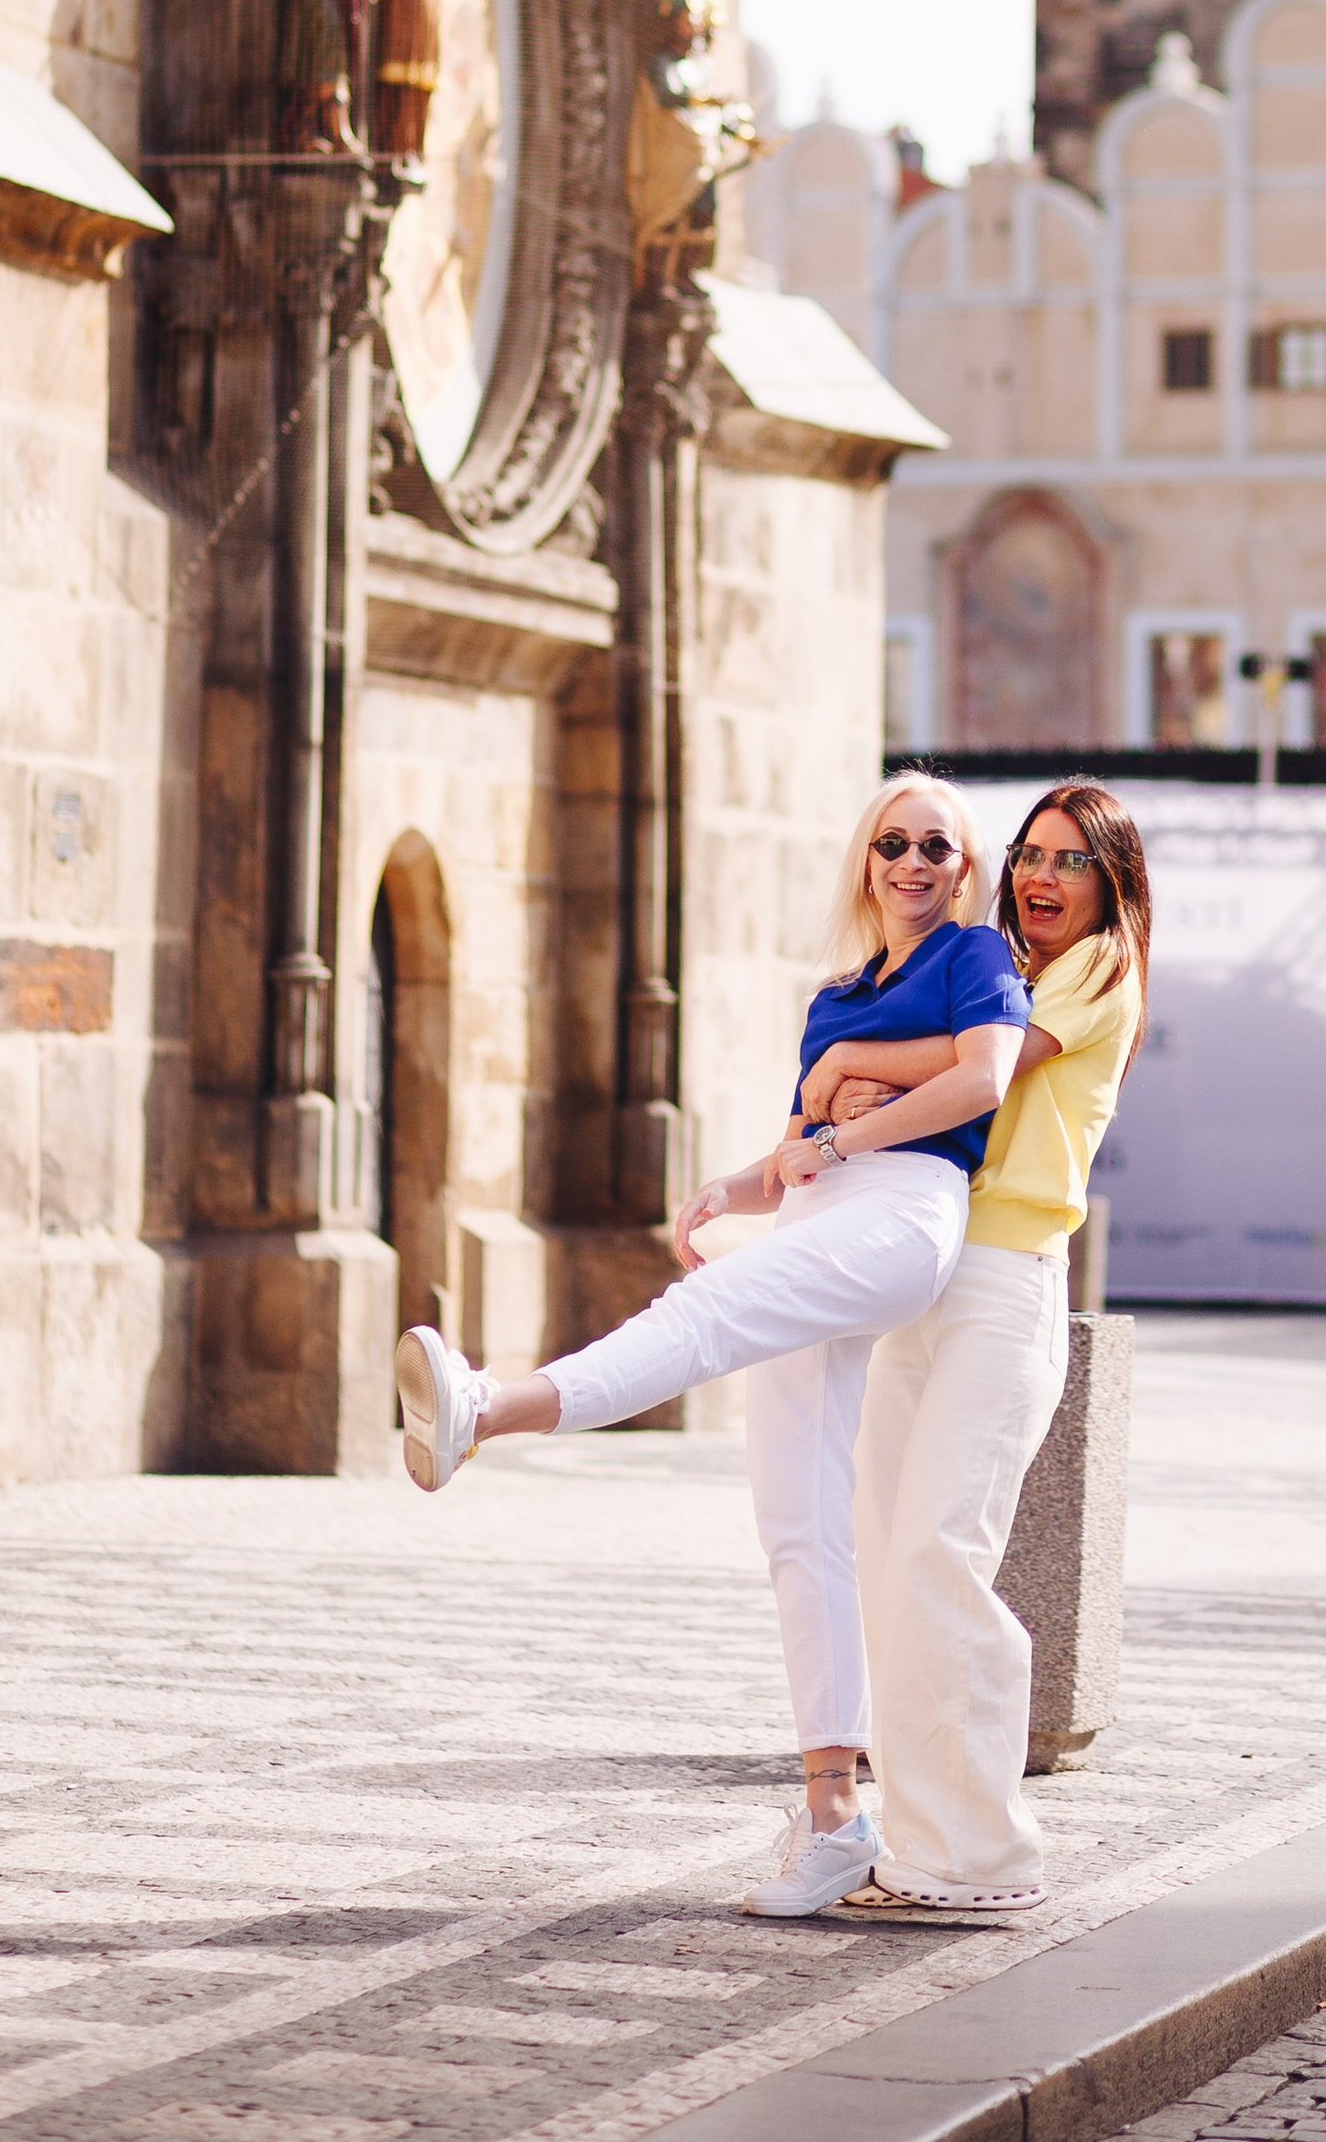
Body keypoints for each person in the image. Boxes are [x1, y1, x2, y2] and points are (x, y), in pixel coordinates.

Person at [392, 773, 1027, 1918]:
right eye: (893, 842)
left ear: (963, 864)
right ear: (865, 858)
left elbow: (983, 1077)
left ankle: (483, 1407)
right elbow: (795, 1142)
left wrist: (846, 1121)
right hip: (819, 1202)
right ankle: (835, 1814)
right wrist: (732, 1184)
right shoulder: (838, 993)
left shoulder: (977, 956)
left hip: (905, 1211)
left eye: (937, 844)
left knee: (702, 1318)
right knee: (798, 1521)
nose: (914, 861)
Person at [799, 779, 1151, 1922]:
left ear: (1108, 885)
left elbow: (981, 1067)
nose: (1043, 880)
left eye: (1071, 863)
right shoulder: (990, 964)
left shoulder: (1099, 965)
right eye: (1033, 858)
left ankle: (986, 1853)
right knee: (881, 1550)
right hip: (928, 1269)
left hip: (1006, 1283)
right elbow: (944, 1058)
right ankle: (922, 1842)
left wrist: (854, 1070)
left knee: (939, 1554)